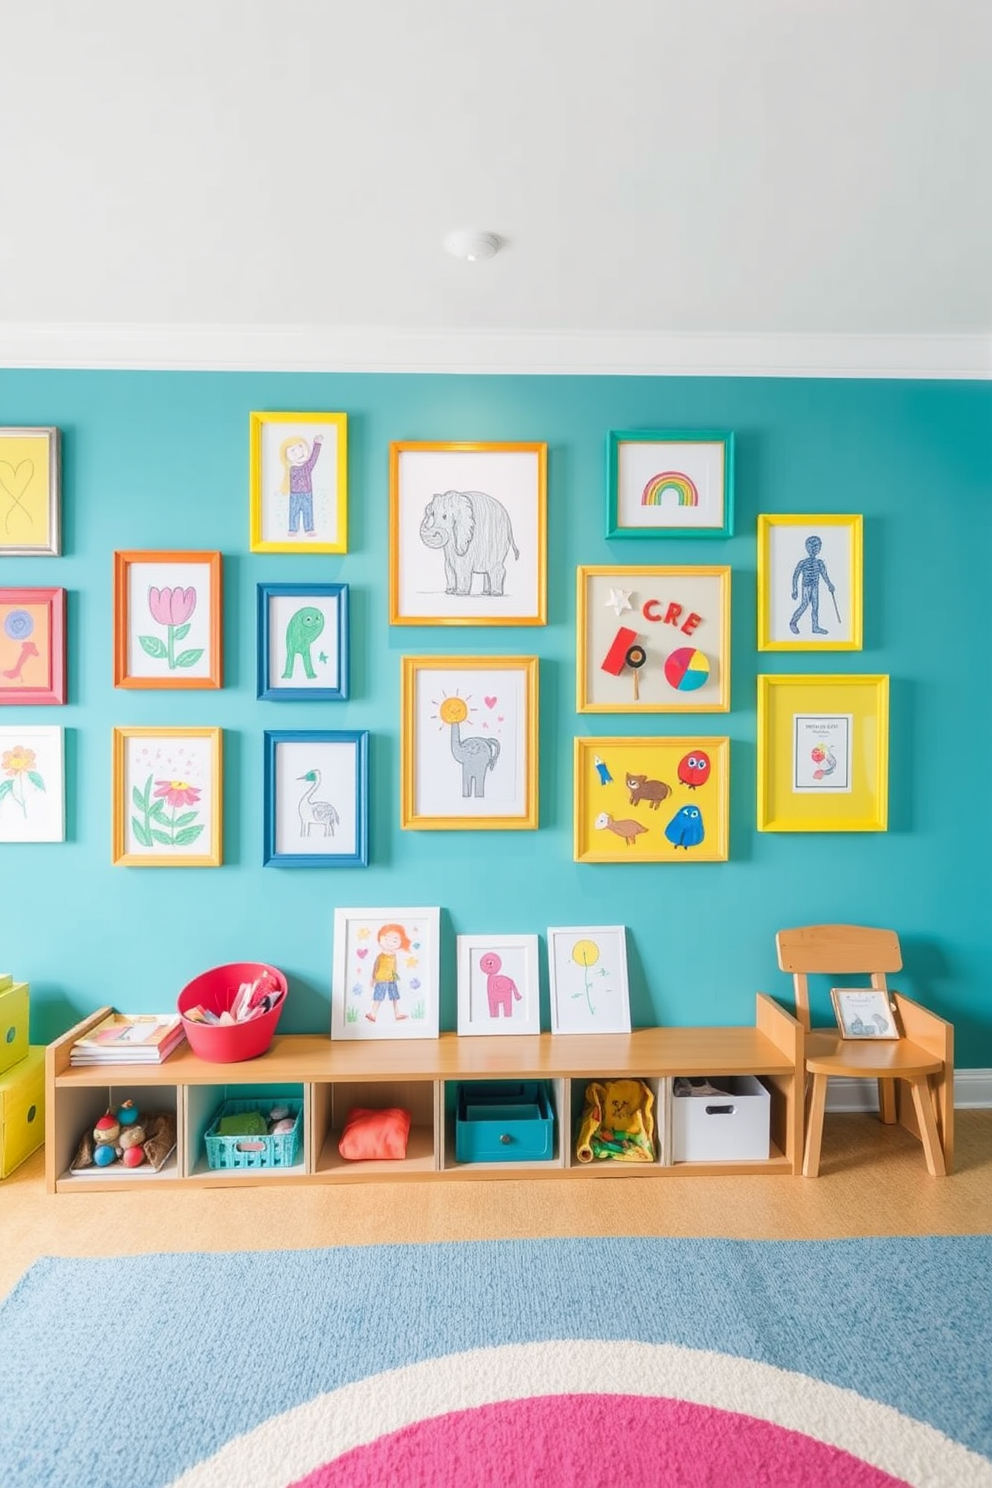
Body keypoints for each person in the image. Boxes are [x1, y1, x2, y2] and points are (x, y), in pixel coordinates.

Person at [790, 534, 837, 635]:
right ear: (807, 548)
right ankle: (793, 622)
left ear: (819, 549)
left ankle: (815, 627)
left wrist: (829, 584)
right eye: (812, 547)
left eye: (816, 547)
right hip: (806, 586)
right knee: (804, 604)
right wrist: (795, 590)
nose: (814, 549)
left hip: (815, 586)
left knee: (815, 606)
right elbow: (795, 576)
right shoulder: (802, 563)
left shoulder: (820, 563)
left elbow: (824, 575)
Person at [279, 432, 323, 535]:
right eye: (293, 450)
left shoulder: (307, 466)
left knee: (308, 511)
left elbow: (314, 458)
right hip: (294, 495)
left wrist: (317, 444)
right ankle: (293, 529)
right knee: (294, 512)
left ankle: (309, 529)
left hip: (307, 493)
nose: (298, 452)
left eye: (300, 446)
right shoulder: (290, 469)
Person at [366, 923, 411, 1022]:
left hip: (392, 980)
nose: (390, 943)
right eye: (386, 939)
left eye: (395, 940)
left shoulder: (394, 955)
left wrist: (395, 977)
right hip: (381, 979)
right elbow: (375, 967)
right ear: (380, 939)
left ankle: (397, 1014)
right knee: (378, 997)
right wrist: (373, 978)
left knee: (395, 997)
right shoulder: (380, 956)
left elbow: (394, 968)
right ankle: (372, 1014)